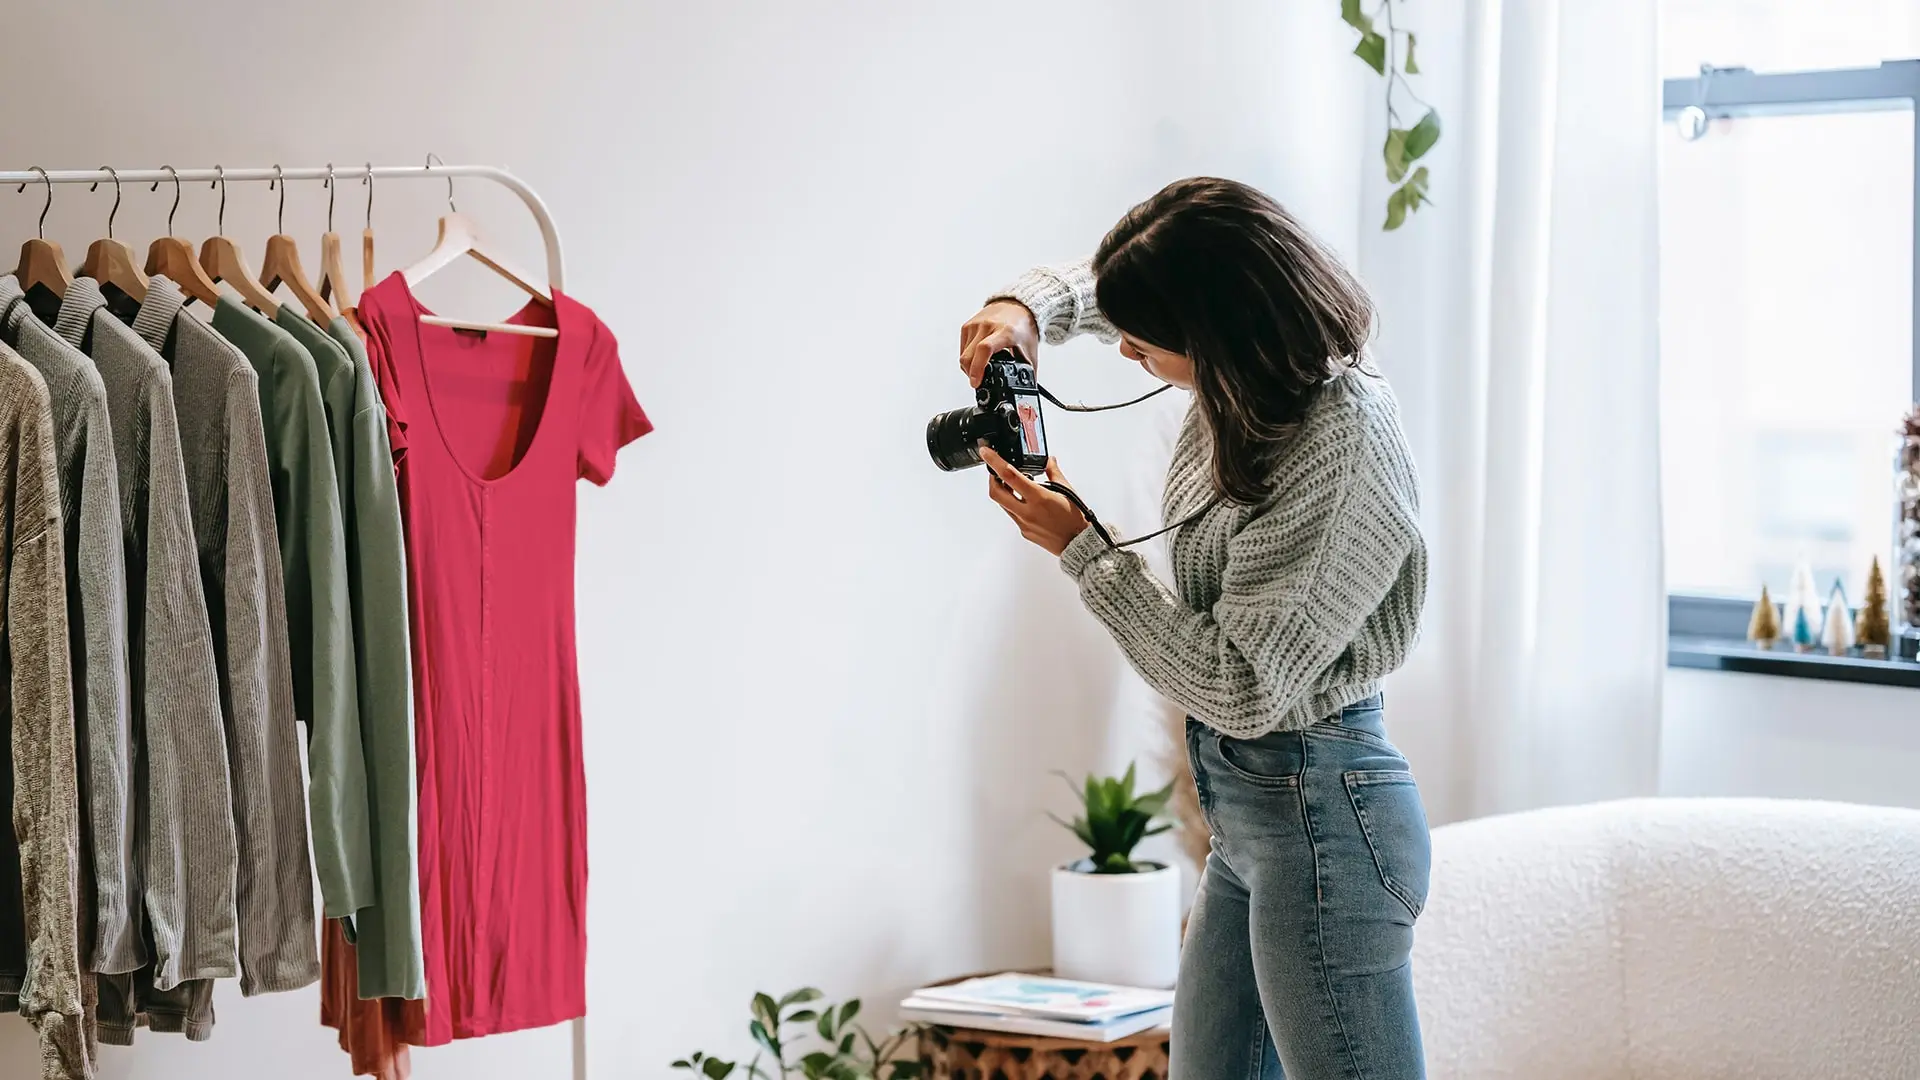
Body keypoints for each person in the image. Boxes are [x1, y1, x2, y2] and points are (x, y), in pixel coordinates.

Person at [960, 177, 1431, 1080]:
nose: (1126, 348)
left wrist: (1085, 552)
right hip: (1254, 822)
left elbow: (1244, 686)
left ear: (1220, 330)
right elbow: (1118, 292)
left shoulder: (1342, 442)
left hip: (1323, 820)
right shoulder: (1263, 384)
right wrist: (1023, 311)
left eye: (1146, 339)